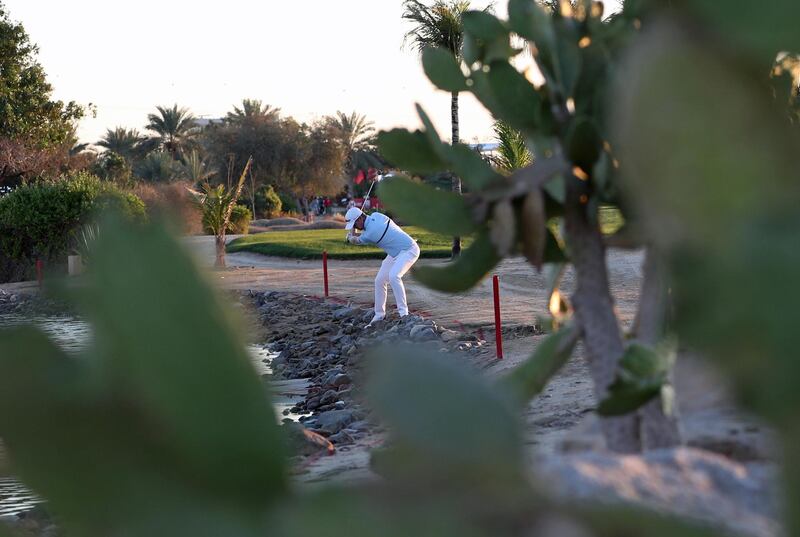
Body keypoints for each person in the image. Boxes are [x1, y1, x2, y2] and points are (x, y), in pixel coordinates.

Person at [344, 207, 420, 327]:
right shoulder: (377, 215)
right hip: (395, 252)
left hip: (409, 250)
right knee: (379, 281)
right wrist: (354, 231)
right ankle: (379, 315)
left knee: (394, 276)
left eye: (355, 224)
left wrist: (350, 237)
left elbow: (357, 240)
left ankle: (404, 313)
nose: (355, 227)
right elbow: (360, 233)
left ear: (359, 219)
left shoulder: (371, 233)